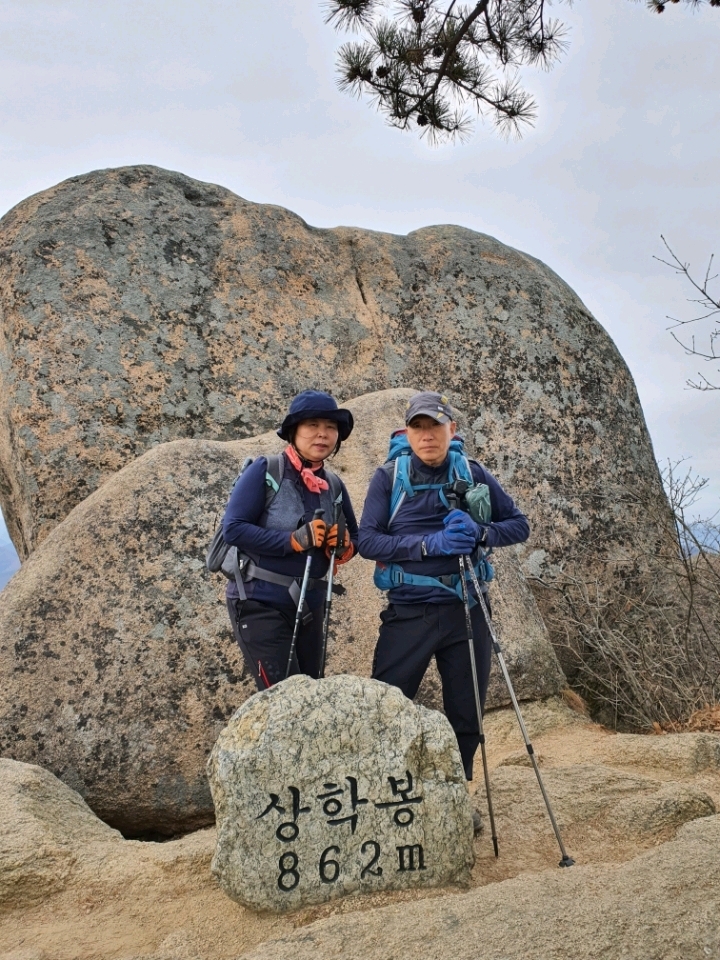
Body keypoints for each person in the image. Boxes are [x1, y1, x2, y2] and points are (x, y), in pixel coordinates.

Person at [358, 391, 529, 831]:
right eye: (418, 427)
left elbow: (518, 525)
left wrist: (481, 532)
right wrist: (428, 544)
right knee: (386, 706)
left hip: (466, 608)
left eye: (435, 426)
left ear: (451, 429)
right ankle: (386, 796)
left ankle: (458, 798)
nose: (427, 435)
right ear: (407, 432)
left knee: (466, 712)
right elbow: (368, 541)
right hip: (409, 612)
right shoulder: (388, 477)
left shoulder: (472, 472)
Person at [223, 390, 359, 689]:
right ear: (293, 431)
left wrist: (343, 546)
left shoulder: (334, 485)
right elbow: (233, 528)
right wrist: (293, 541)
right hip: (260, 604)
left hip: (310, 605)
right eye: (312, 425)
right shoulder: (265, 470)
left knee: (311, 695)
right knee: (284, 696)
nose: (323, 434)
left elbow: (356, 537)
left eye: (331, 427)